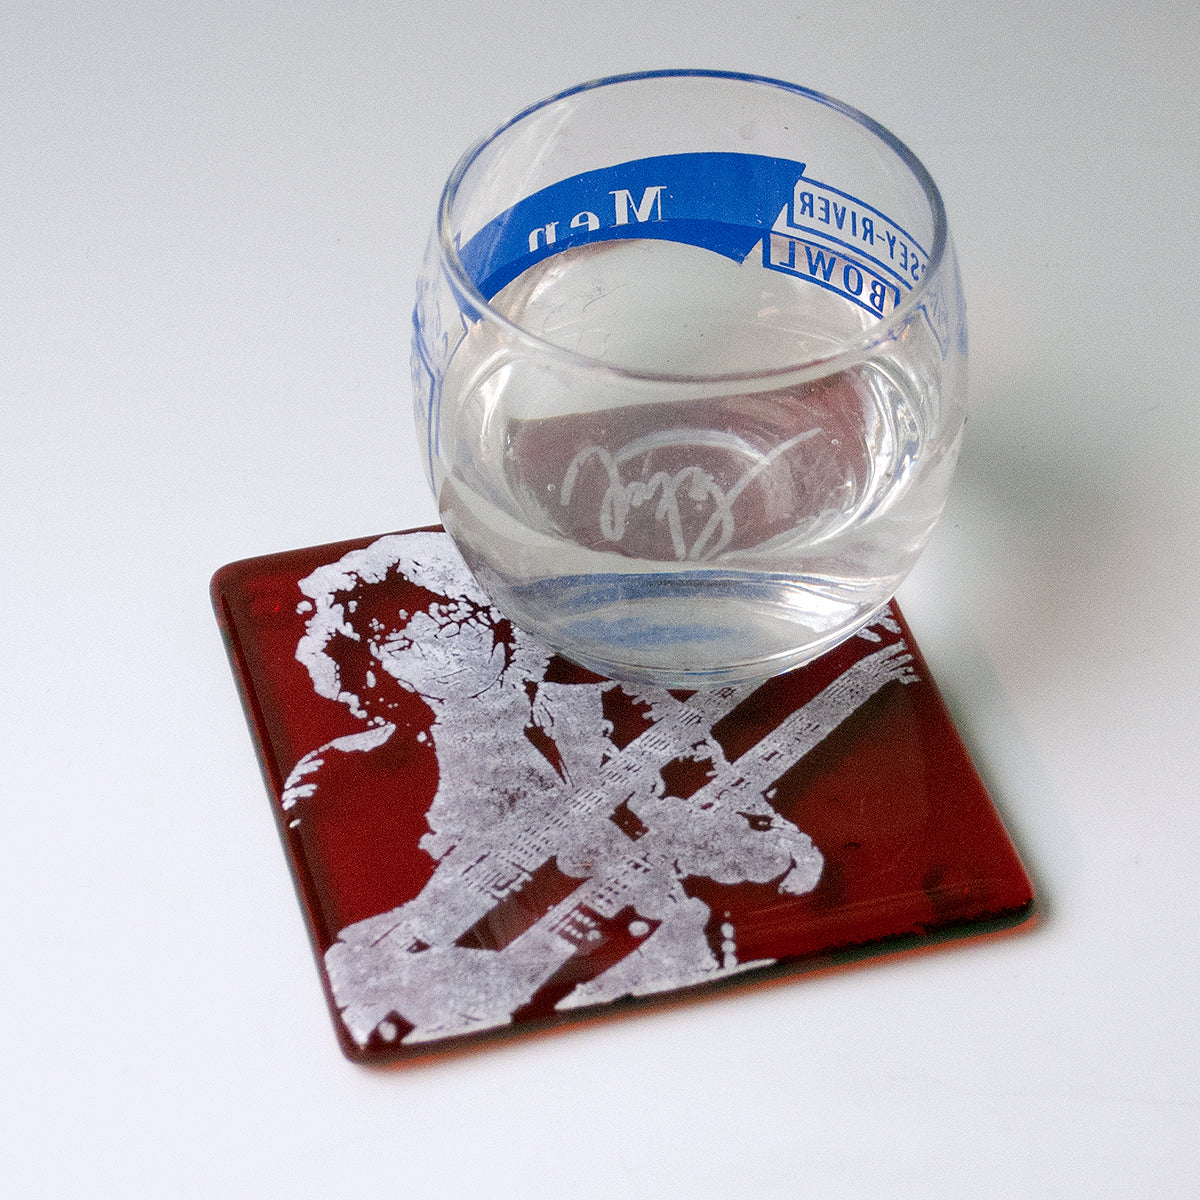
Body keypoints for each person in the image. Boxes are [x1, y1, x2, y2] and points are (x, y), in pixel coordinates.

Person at [286, 530, 910, 1048]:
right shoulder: (349, 776)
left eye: (450, 617)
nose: (444, 646)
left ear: (484, 613)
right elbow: (365, 931)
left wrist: (758, 845)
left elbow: (747, 835)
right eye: (404, 644)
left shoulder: (606, 692)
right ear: (374, 672)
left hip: (693, 974)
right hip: (536, 996)